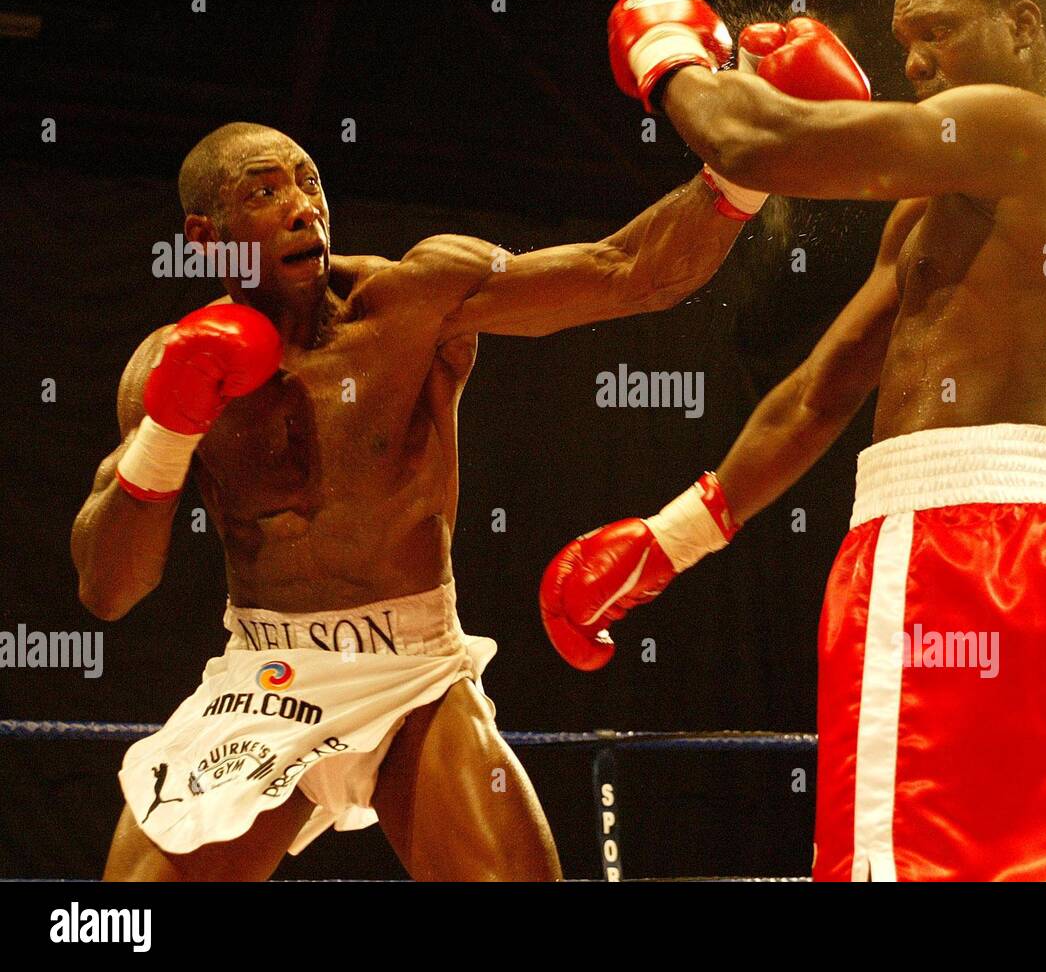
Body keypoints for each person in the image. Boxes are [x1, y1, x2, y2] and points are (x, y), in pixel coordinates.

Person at [540, 0, 1046, 881]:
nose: (915, 61)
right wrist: (671, 539)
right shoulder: (949, 206)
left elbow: (752, 140)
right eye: (904, 41)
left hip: (958, 552)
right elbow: (824, 387)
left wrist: (669, 51)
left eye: (939, 31)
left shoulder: (1028, 128)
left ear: (1022, 27)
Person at [71, 109, 761, 881]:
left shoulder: (409, 300)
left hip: (413, 673)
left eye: (309, 183)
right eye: (265, 193)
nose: (303, 208)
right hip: (264, 679)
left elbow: (627, 268)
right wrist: (169, 431)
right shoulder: (165, 365)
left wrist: (745, 166)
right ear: (206, 237)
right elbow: (108, 589)